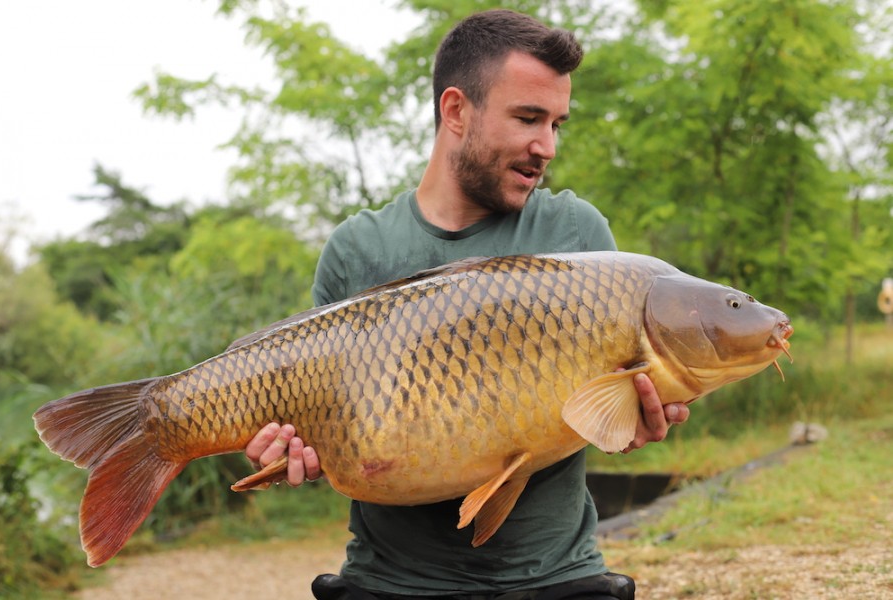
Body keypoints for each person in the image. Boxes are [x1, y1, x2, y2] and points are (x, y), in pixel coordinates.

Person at [245, 9, 690, 600]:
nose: (547, 146)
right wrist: (290, 451)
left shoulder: (577, 236)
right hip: (391, 582)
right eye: (528, 118)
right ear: (456, 111)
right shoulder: (358, 249)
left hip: (557, 577)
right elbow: (323, 434)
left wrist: (630, 422)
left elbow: (609, 405)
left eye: (558, 123)